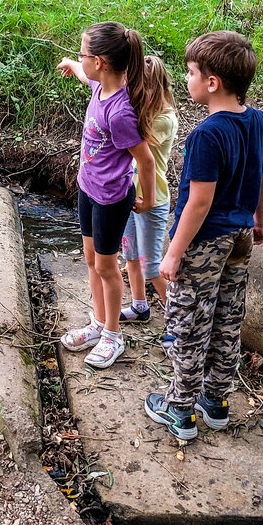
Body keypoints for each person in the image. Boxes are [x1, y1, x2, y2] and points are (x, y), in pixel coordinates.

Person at [144, 31, 263, 442]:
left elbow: (198, 203)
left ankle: (180, 409)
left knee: (190, 321)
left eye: (191, 72)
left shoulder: (207, 135)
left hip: (205, 241)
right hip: (239, 235)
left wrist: (173, 253)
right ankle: (215, 401)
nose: (187, 79)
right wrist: (259, 222)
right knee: (227, 316)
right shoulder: (257, 122)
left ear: (212, 82)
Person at [56, 21, 156, 369]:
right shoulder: (100, 86)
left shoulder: (122, 111)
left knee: (107, 266)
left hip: (112, 197)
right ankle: (98, 322)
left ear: (99, 61)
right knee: (89, 258)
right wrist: (73, 64)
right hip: (88, 187)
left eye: (82, 54)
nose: (81, 59)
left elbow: (144, 160)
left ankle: (113, 334)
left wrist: (146, 198)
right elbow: (88, 79)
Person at [117, 55, 179, 324]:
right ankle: (140, 306)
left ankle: (178, 324)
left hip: (153, 200)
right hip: (132, 194)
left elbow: (137, 141)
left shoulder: (164, 119)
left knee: (152, 266)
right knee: (130, 254)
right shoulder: (148, 112)